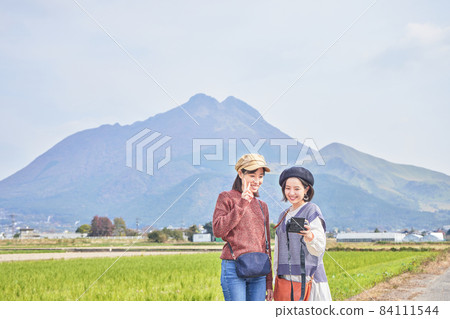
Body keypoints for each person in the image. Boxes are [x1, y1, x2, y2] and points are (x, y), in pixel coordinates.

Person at [212, 153, 273, 301]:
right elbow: (218, 230)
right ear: (240, 173)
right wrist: (242, 203)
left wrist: (269, 282)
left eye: (260, 176)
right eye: (252, 175)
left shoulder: (262, 205)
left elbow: (266, 244)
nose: (257, 181)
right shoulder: (226, 197)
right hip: (234, 269)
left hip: (259, 272)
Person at [273, 166, 332, 301]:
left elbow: (319, 248)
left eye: (297, 188)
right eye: (287, 188)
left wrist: (310, 236)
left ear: (306, 189)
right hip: (285, 281)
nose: (291, 193)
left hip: (309, 281)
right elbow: (277, 250)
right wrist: (275, 278)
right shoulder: (283, 215)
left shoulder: (311, 210)